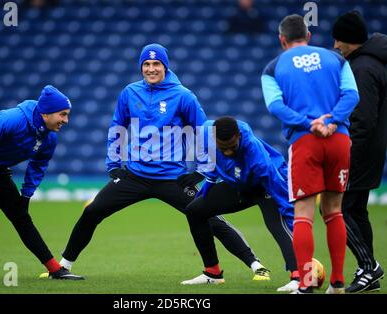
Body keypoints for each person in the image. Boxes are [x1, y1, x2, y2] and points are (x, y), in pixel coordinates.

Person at [55, 43, 272, 282]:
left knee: (209, 217)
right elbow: (118, 127)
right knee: (92, 211)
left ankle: (255, 265)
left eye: (156, 64)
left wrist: (201, 170)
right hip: (135, 176)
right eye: (146, 64)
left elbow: (203, 132)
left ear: (165, 66)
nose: (151, 69)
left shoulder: (183, 96)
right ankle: (62, 266)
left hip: (172, 178)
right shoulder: (129, 92)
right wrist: (114, 164)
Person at [261, 14, 360, 293]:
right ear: (309, 36)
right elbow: (352, 95)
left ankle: (305, 284)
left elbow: (275, 106)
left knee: (303, 213)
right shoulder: (335, 59)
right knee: (334, 211)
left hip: (306, 141)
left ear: (282, 40)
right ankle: (338, 283)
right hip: (339, 138)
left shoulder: (273, 67)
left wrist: (310, 123)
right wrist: (331, 121)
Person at [0, 85, 83, 282]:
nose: (66, 120)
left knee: (21, 216)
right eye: (62, 114)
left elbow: (38, 166)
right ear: (46, 113)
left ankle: (55, 269)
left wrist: (26, 195)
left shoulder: (50, 138)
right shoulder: (12, 119)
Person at [182, 117, 299, 292]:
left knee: (277, 225)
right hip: (238, 185)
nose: (228, 152)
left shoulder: (256, 155)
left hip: (264, 185)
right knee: (195, 211)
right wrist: (210, 181)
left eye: (232, 147)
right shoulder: (206, 132)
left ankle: (297, 276)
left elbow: (278, 190)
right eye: (224, 148)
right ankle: (212, 273)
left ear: (238, 136)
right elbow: (211, 157)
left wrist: (294, 223)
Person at [332, 10, 387, 293]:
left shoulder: (362, 69)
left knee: (336, 209)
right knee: (356, 210)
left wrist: (347, 152)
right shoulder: (372, 62)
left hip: (358, 152)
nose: (334, 46)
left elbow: (363, 119)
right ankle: (368, 272)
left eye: (337, 40)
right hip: (370, 150)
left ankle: (369, 266)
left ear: (349, 40)